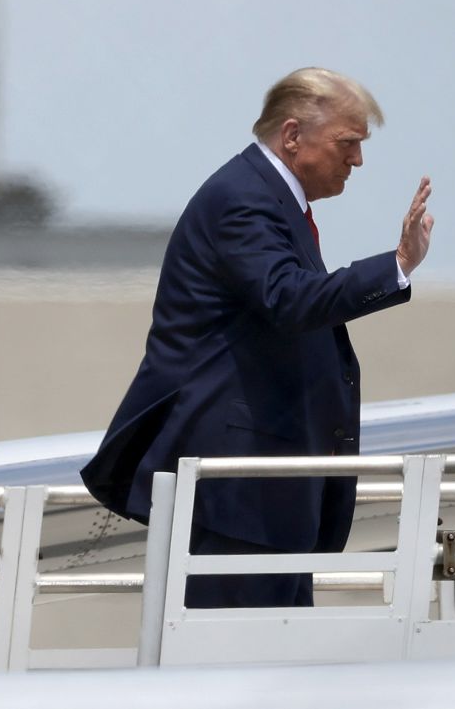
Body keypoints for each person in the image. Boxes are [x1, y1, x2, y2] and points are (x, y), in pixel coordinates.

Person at [79, 67, 435, 608]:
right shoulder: (243, 198)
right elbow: (288, 299)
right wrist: (397, 265)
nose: (357, 161)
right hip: (237, 493)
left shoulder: (272, 199)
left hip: (268, 496)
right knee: (230, 673)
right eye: (348, 143)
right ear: (292, 136)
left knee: (271, 671)